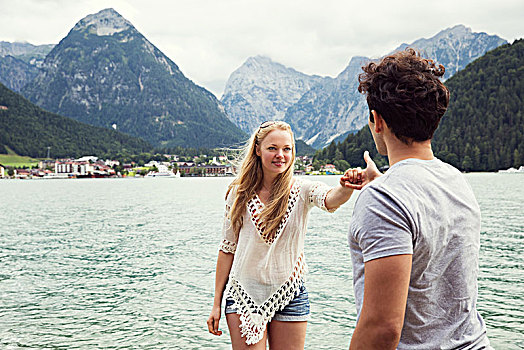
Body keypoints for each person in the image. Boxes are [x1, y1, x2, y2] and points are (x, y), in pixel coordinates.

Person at [347, 48, 491, 349]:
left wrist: (382, 190)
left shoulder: (383, 199)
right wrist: (384, 183)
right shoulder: (455, 180)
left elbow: (382, 328)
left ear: (377, 121)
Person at [207, 120, 379, 349]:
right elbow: (227, 248)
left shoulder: (301, 189)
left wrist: (347, 186)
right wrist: (216, 303)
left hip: (290, 295)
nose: (280, 155)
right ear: (258, 150)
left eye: (287, 149)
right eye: (272, 148)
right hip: (243, 297)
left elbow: (329, 199)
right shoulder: (238, 193)